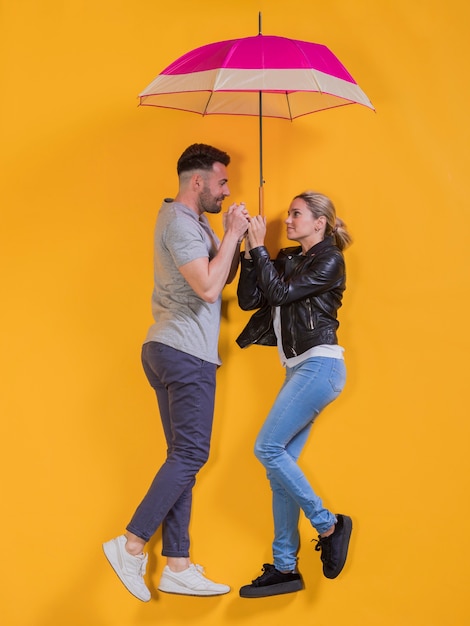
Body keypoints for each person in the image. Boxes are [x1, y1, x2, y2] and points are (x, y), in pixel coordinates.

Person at [103, 143, 249, 601]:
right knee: (190, 456)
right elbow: (208, 287)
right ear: (198, 181)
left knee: (182, 460)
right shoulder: (179, 223)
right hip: (183, 352)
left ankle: (178, 564)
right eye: (222, 182)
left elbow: (220, 275)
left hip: (175, 350)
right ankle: (130, 545)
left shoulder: (197, 225)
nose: (227, 190)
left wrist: (236, 236)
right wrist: (228, 236)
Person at [236, 191, 353, 598]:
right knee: (277, 468)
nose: (288, 219)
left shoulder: (329, 259)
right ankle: (285, 567)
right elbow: (253, 298)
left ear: (319, 222)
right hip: (297, 370)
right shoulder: (287, 257)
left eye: (296, 214)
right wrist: (253, 253)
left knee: (267, 448)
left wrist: (258, 248)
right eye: (288, 213)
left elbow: (283, 295)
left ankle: (328, 524)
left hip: (320, 365)